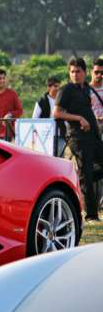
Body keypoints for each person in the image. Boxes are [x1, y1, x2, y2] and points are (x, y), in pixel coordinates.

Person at [53, 58, 103, 223]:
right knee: (86, 175)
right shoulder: (66, 90)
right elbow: (57, 113)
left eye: (78, 71)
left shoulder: (86, 89)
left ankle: (78, 178)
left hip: (93, 137)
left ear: (85, 72)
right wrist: (79, 118)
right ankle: (91, 215)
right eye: (72, 71)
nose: (75, 74)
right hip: (78, 138)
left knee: (88, 174)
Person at [90, 58, 103, 132]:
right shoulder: (85, 89)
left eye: (102, 73)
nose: (99, 75)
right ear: (91, 72)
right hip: (92, 127)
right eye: (96, 72)